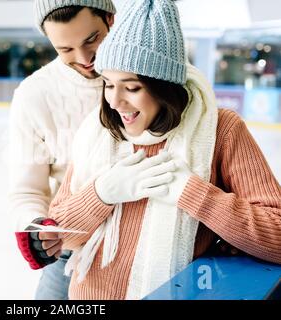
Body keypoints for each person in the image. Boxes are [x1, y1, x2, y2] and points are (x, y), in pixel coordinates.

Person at [47, 0, 281, 300]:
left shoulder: (221, 130)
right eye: (108, 84)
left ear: (164, 87)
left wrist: (196, 196)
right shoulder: (98, 132)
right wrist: (101, 193)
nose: (115, 102)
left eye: (131, 88)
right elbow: (59, 233)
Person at [8, 0, 116, 300]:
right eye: (65, 50)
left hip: (142, 244)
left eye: (92, 39)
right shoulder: (34, 95)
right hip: (71, 249)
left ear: (110, 19)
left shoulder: (145, 78)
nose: (84, 58)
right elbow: (27, 192)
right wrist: (38, 229)